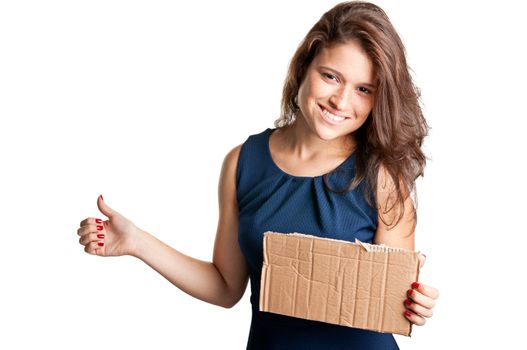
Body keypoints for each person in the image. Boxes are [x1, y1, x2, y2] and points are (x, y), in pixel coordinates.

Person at [76, 1, 439, 349]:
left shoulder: (383, 178)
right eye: (331, 76)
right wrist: (137, 242)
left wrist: (413, 304)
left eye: (364, 90)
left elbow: (391, 303)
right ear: (303, 69)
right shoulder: (243, 163)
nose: (341, 101)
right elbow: (225, 287)